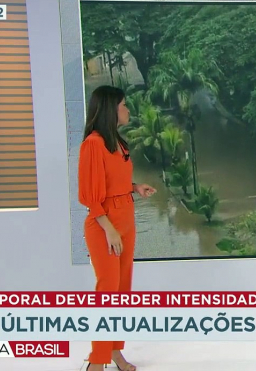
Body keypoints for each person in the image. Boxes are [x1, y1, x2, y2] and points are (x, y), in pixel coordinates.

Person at [78, 85, 156, 371]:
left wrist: (135, 187)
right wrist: (108, 228)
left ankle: (114, 351)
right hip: (104, 225)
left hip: (126, 220)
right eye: (123, 105)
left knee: (122, 291)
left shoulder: (118, 144)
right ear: (111, 109)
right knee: (107, 292)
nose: (127, 109)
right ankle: (96, 361)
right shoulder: (93, 144)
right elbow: (89, 194)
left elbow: (115, 182)